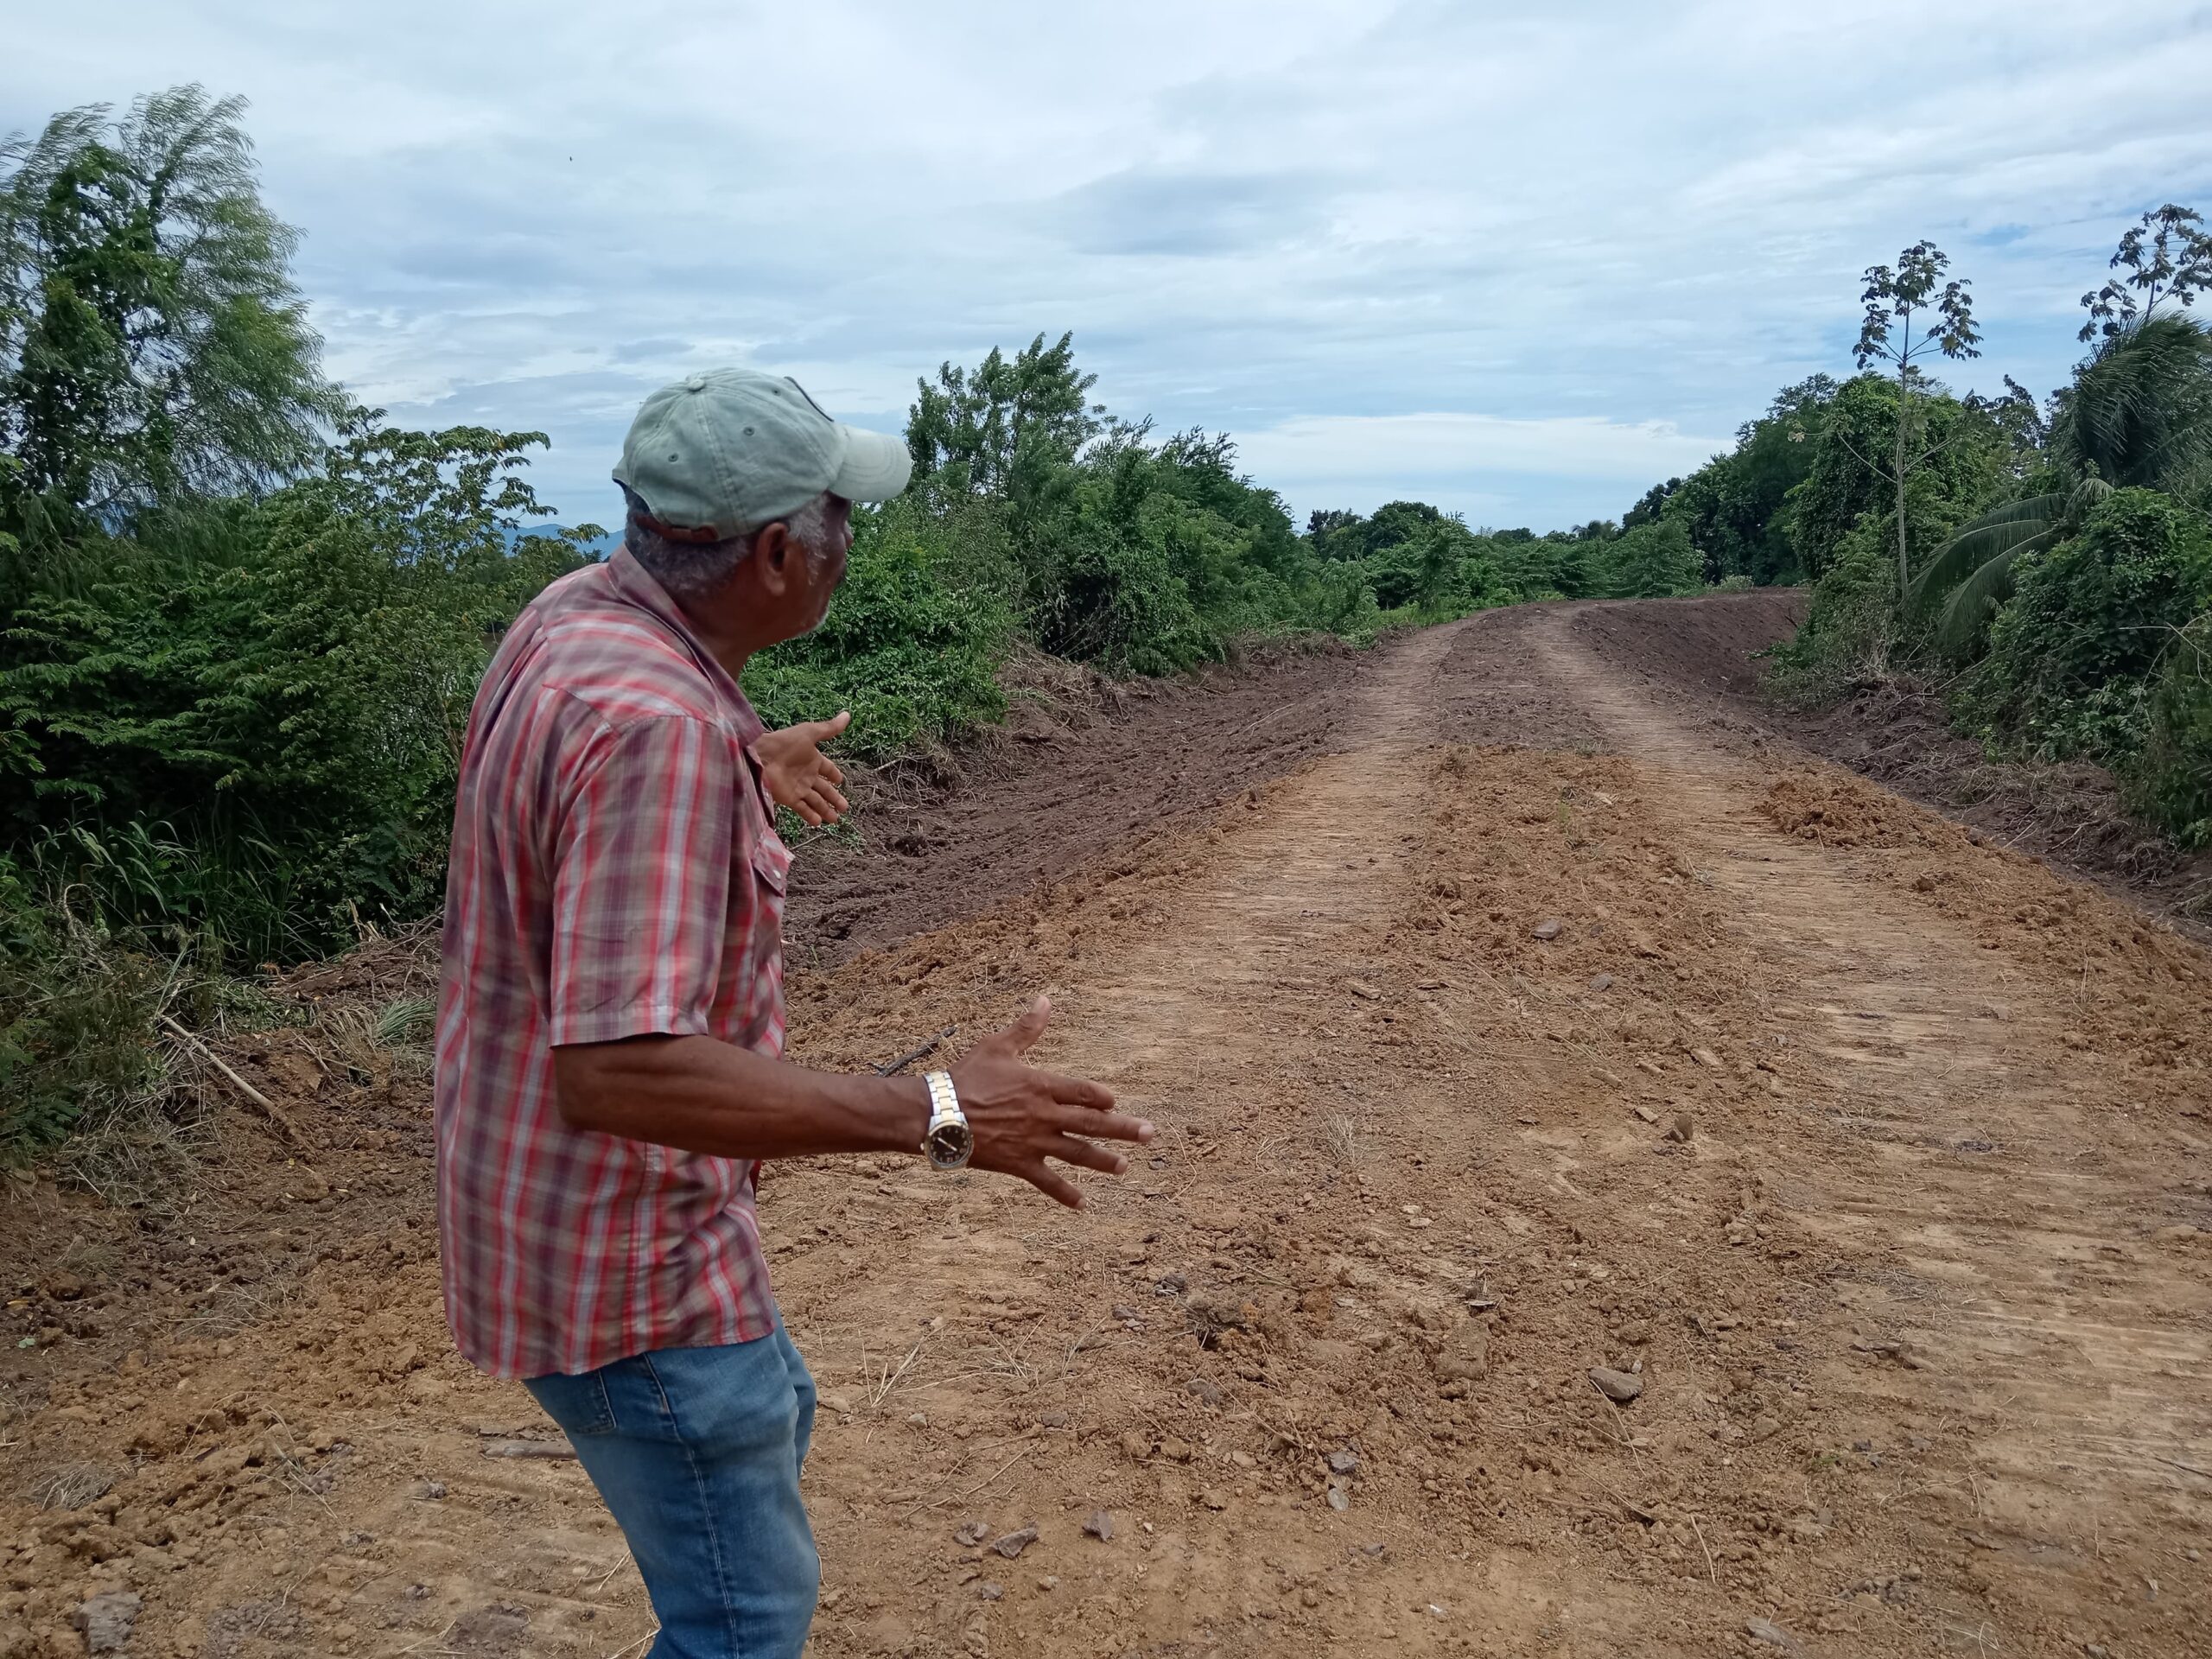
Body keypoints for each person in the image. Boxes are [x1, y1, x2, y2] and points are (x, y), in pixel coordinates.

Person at [433, 368, 1154, 1658]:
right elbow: (620, 1070)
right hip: (626, 1263)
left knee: (776, 1422)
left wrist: (740, 763)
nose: (850, 541)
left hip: (556, 1215)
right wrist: (943, 1111)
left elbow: (571, 799)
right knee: (746, 1617)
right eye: (839, 517)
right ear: (774, 553)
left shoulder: (578, 621)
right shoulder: (657, 728)